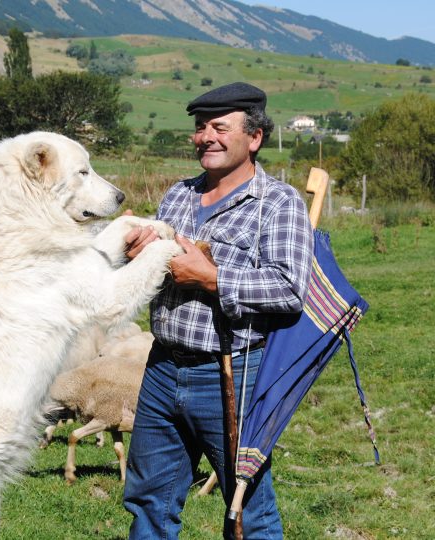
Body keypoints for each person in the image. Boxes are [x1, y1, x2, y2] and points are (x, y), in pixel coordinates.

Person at [121, 82, 314, 539]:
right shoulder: (179, 195)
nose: (206, 136)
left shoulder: (278, 203)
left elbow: (289, 289)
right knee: (149, 499)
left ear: (254, 137)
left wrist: (210, 277)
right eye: (200, 127)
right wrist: (138, 254)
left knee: (247, 509)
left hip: (232, 373)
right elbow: (158, 269)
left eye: (219, 127)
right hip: (162, 367)